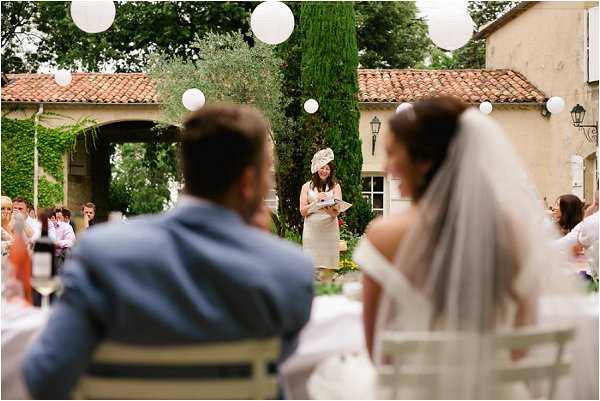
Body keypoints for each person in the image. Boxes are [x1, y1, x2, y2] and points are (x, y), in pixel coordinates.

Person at [23, 104, 314, 399]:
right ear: (249, 182)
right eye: (267, 173)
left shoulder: (99, 252)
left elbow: (44, 378)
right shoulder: (289, 269)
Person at [338, 97, 568, 399]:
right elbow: (520, 348)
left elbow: (380, 355)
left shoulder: (385, 235)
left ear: (424, 161)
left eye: (393, 154)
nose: (386, 167)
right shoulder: (514, 230)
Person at [299, 148, 342, 268]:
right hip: (312, 231)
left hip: (330, 230)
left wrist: (327, 207)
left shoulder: (336, 186)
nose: (324, 171)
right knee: (312, 267)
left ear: (331, 171)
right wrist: (316, 202)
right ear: (317, 168)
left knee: (328, 269)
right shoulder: (306, 186)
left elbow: (336, 212)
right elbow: (302, 211)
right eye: (322, 167)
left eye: (327, 168)